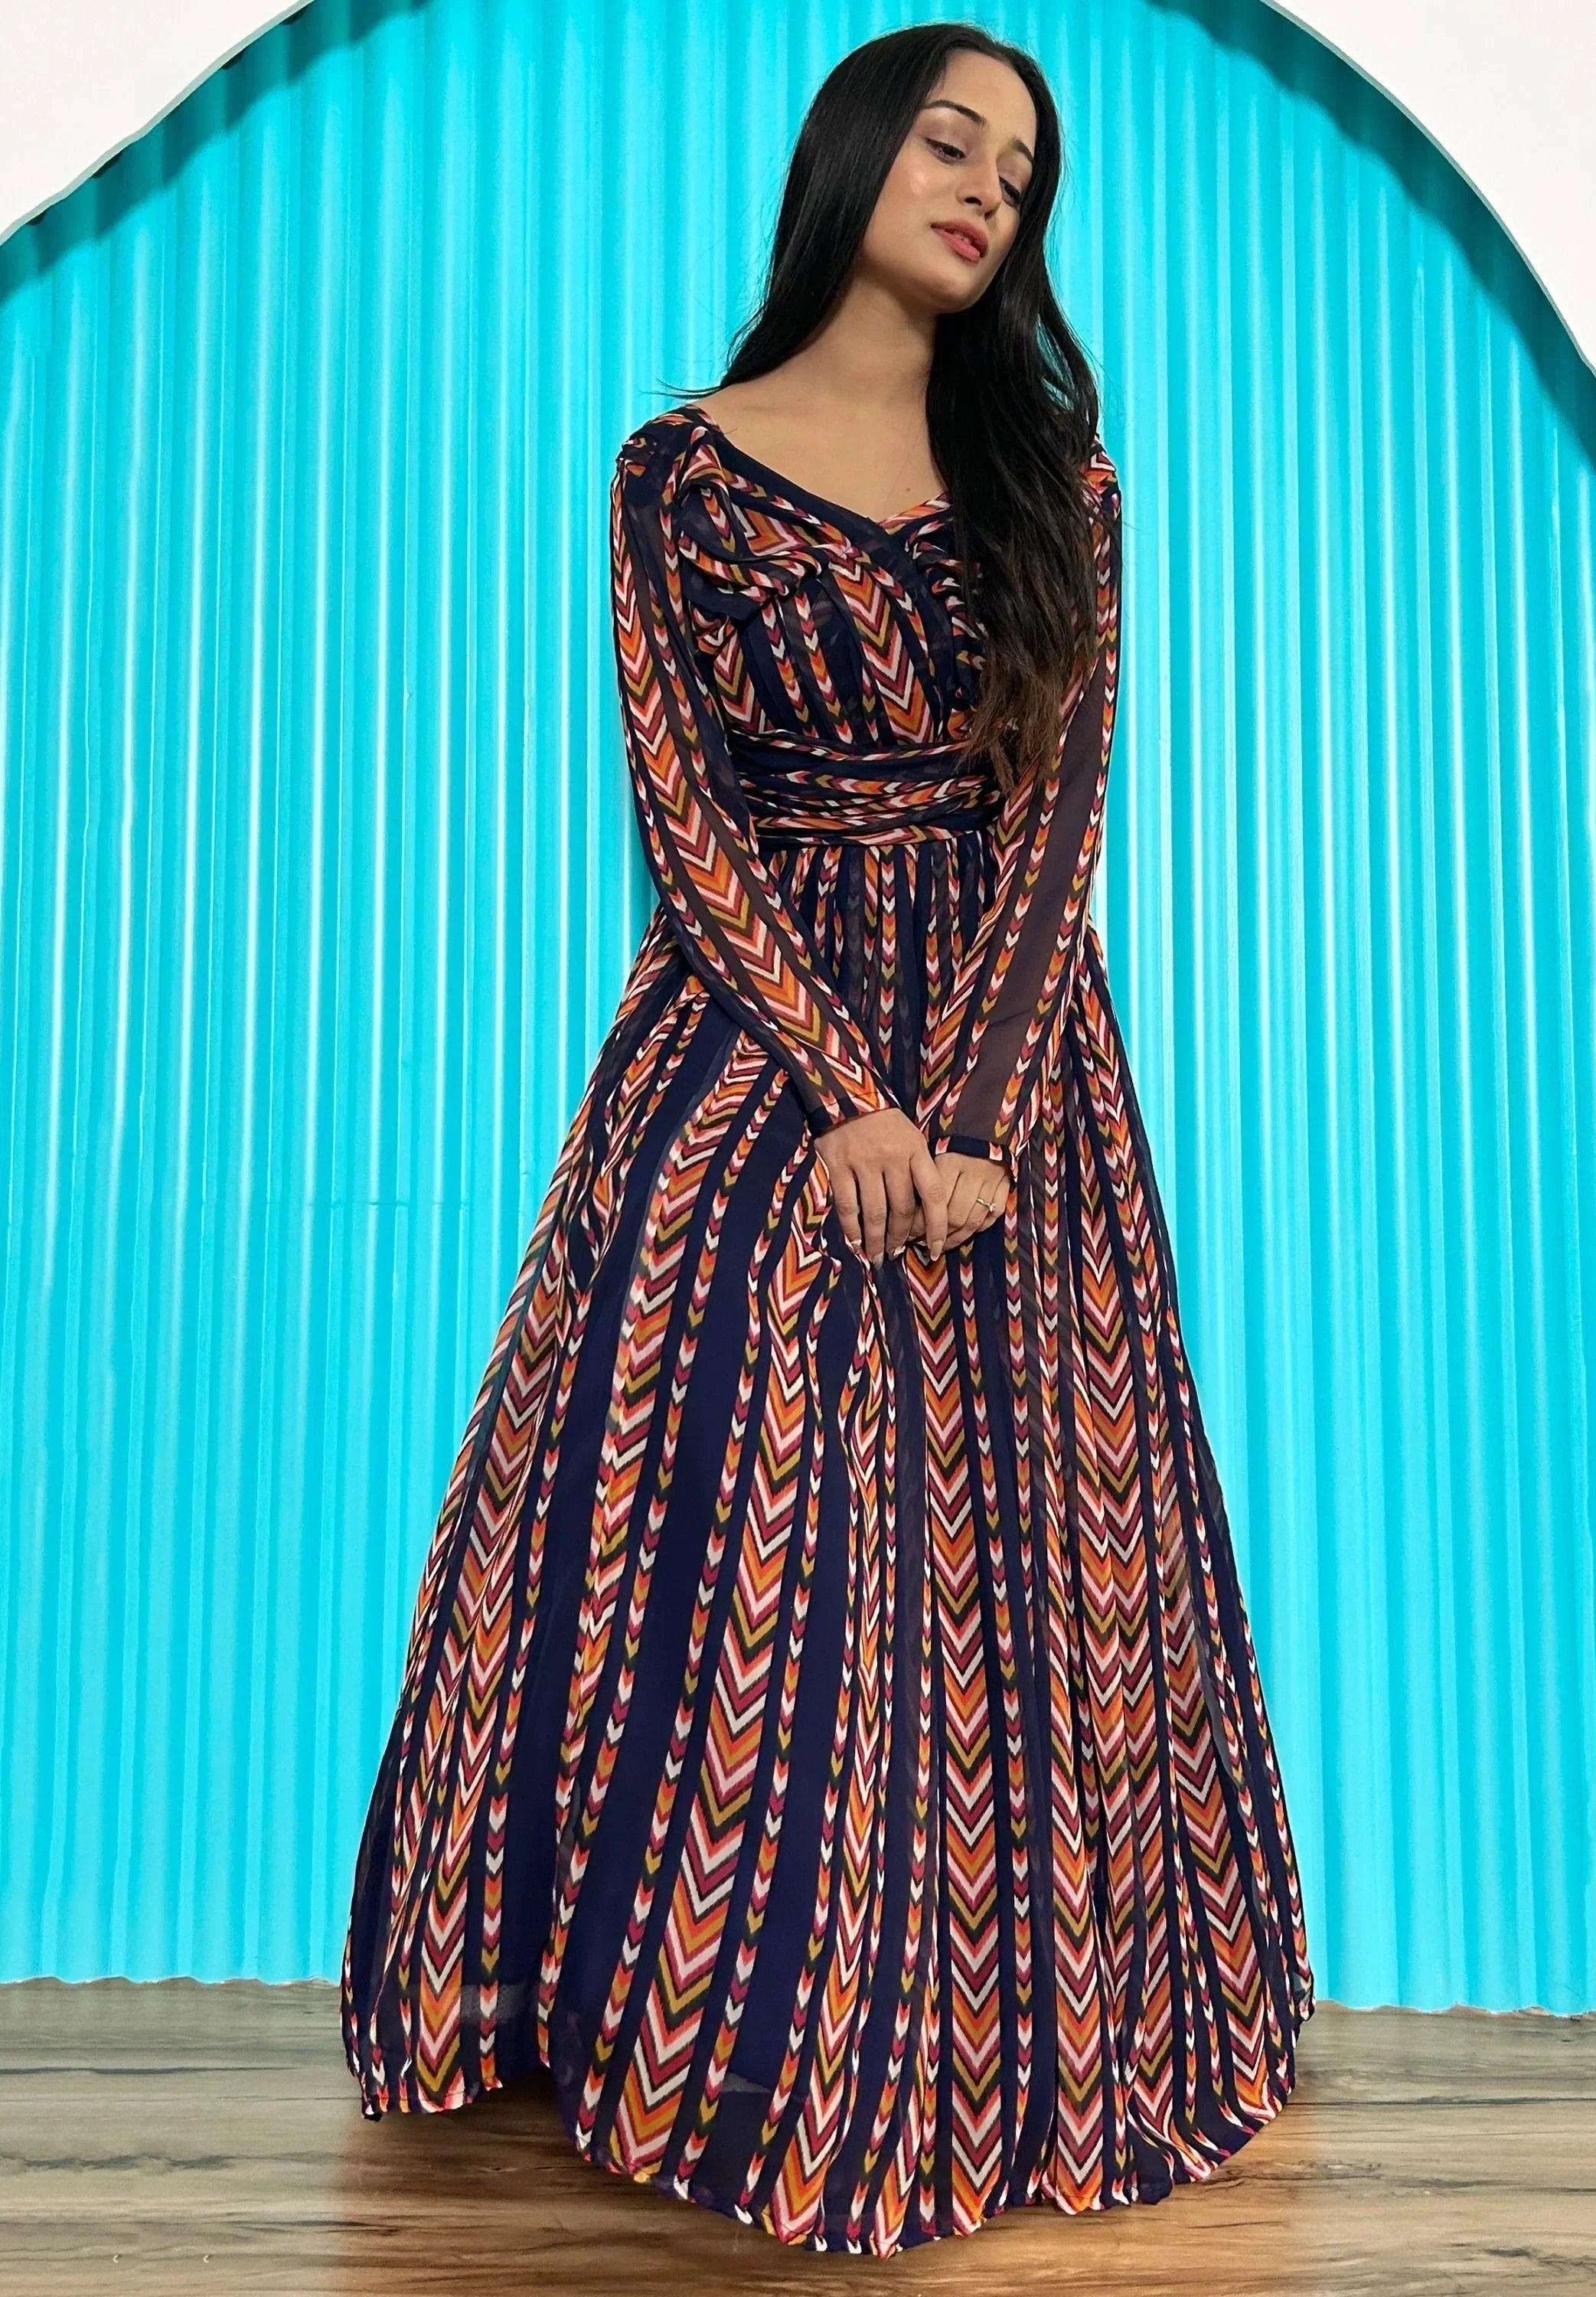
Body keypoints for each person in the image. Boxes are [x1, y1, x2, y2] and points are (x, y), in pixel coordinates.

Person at [339, 21, 1313, 2258]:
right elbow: (681, 820)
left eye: (1023, 169)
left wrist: (960, 1121)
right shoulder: (675, 470)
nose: (987, 187)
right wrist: (844, 1101)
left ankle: (1015, 2038)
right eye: (951, 140)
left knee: (1027, 1550)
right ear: (857, 152)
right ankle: (676, 2029)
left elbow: (1063, 822)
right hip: (747, 1052)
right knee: (700, 1532)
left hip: (1013, 1067)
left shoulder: (1061, 479)